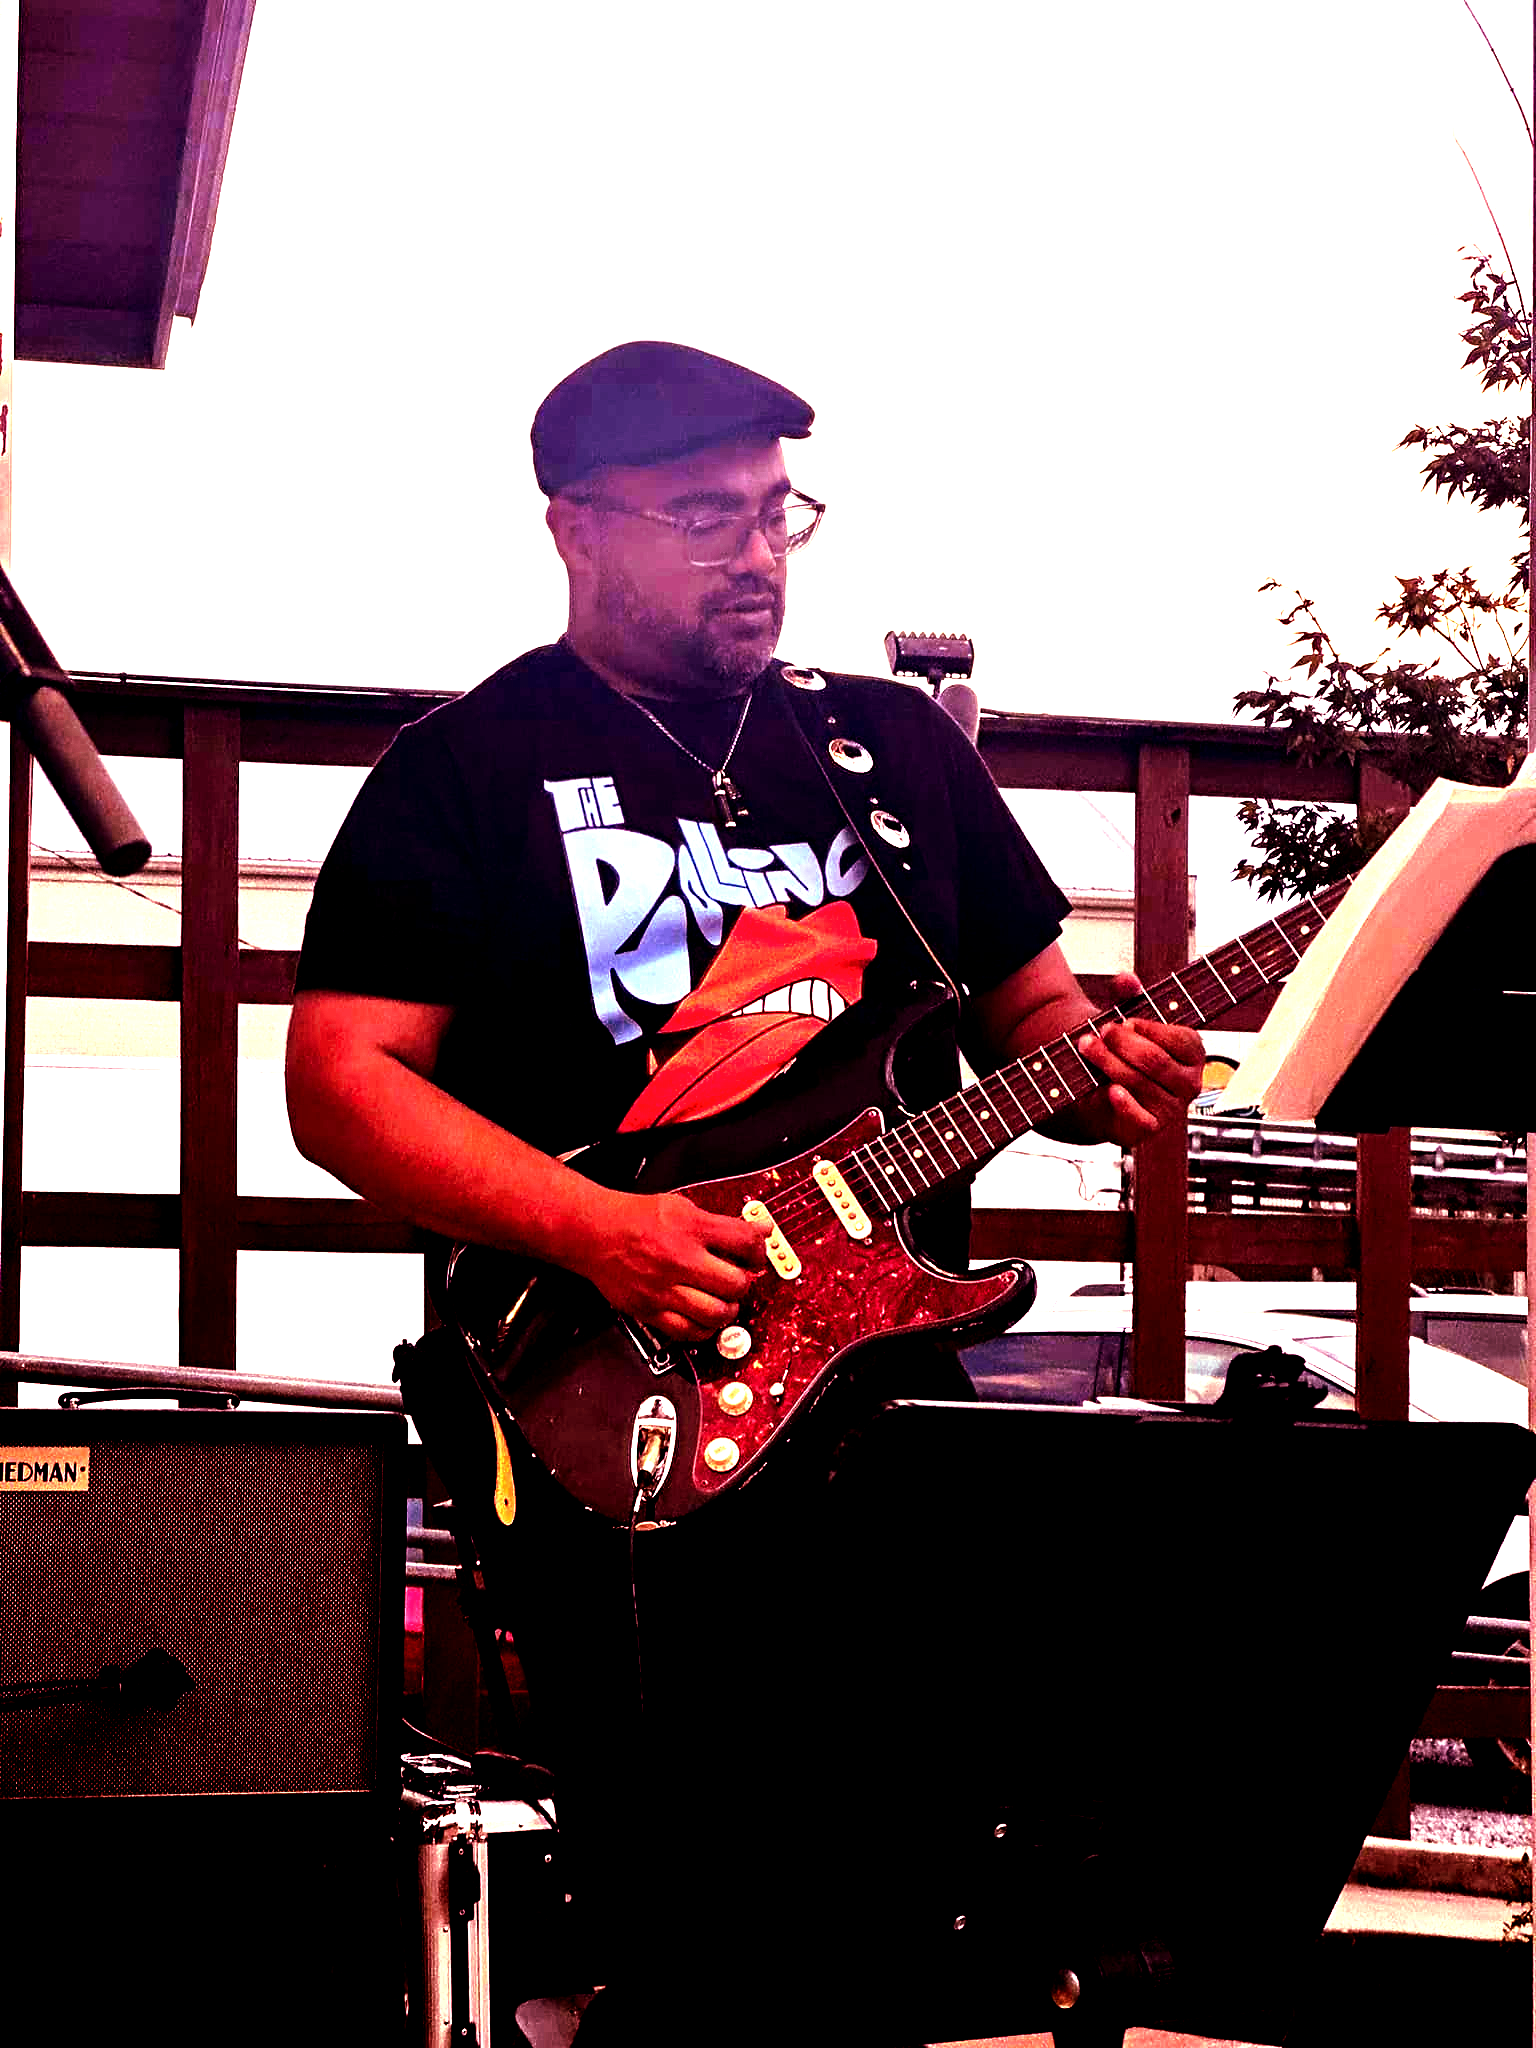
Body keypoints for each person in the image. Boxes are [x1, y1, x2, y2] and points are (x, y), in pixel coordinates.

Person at [286, 340, 1204, 2045]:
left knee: (906, 1867)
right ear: (575, 529)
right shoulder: (468, 769)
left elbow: (1034, 1020)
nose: (758, 553)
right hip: (607, 1379)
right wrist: (602, 1231)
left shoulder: (886, 754)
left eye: (781, 513)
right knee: (685, 1889)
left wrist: (1109, 1074)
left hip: (883, 1380)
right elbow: (341, 1087)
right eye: (707, 514)